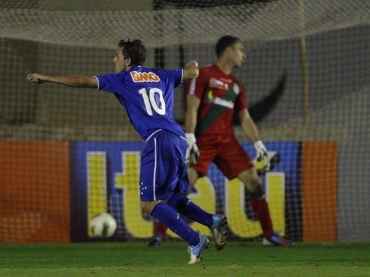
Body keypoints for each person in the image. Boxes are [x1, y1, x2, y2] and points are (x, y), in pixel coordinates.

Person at [27, 39, 227, 264]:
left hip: (158, 139)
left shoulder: (122, 79)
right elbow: (193, 71)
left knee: (149, 203)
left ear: (128, 61)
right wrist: (192, 63)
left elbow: (82, 81)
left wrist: (48, 78)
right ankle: (212, 221)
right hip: (178, 138)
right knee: (170, 198)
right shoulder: (162, 75)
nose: (114, 59)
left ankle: (194, 240)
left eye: (117, 55)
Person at [149, 35, 294, 247]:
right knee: (180, 186)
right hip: (202, 142)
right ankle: (159, 234)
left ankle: (269, 235)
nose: (243, 55)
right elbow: (192, 107)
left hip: (227, 143)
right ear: (228, 51)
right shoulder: (204, 74)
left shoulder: (237, 86)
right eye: (240, 50)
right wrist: (190, 138)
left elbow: (244, 117)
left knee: (254, 181)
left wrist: (258, 144)